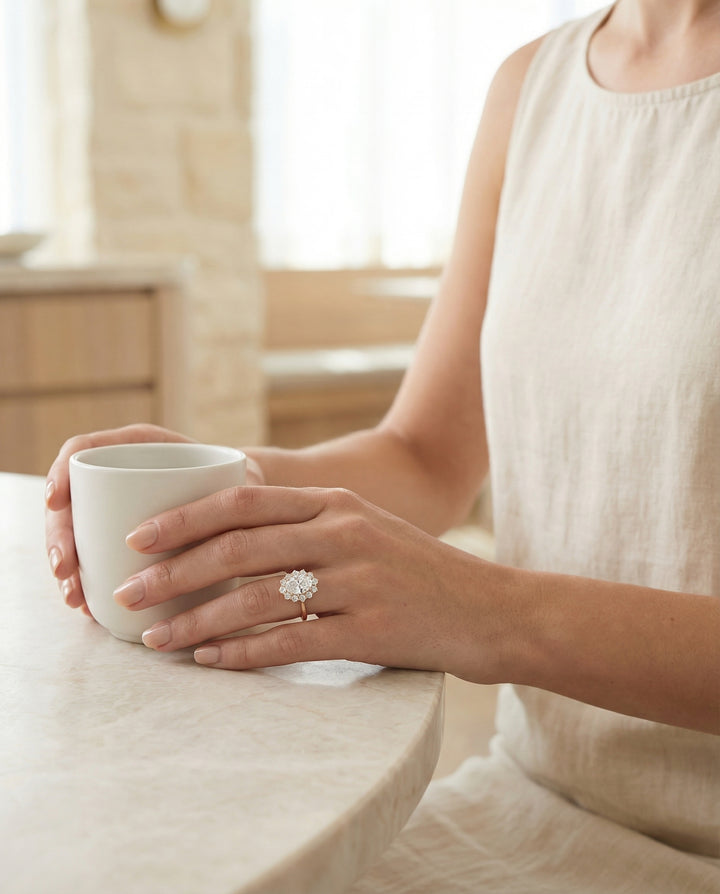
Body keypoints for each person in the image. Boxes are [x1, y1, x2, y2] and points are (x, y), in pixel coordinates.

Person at [45, 1, 719, 891]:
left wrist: (489, 612)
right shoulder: (533, 88)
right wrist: (230, 488)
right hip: (539, 809)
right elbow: (425, 456)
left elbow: (477, 588)